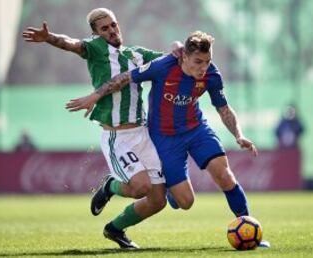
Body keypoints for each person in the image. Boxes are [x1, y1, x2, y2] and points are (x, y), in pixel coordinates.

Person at [66, 30, 270, 248]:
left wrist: (239, 135)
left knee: (224, 175)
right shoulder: (163, 66)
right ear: (184, 56)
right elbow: (125, 77)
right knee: (185, 202)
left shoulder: (211, 75)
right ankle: (140, 191)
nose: (203, 67)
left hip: (197, 130)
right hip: (164, 139)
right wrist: (95, 96)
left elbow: (223, 108)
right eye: (198, 62)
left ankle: (248, 226)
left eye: (208, 61)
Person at [23, 8, 182, 249]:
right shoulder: (97, 49)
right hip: (118, 136)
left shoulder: (138, 54)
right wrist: (50, 38)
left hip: (143, 133)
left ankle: (115, 229)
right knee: (140, 188)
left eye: (113, 25)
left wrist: (179, 47)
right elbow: (72, 44)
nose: (111, 30)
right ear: (96, 34)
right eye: (104, 28)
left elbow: (171, 60)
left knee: (158, 200)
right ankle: (110, 185)